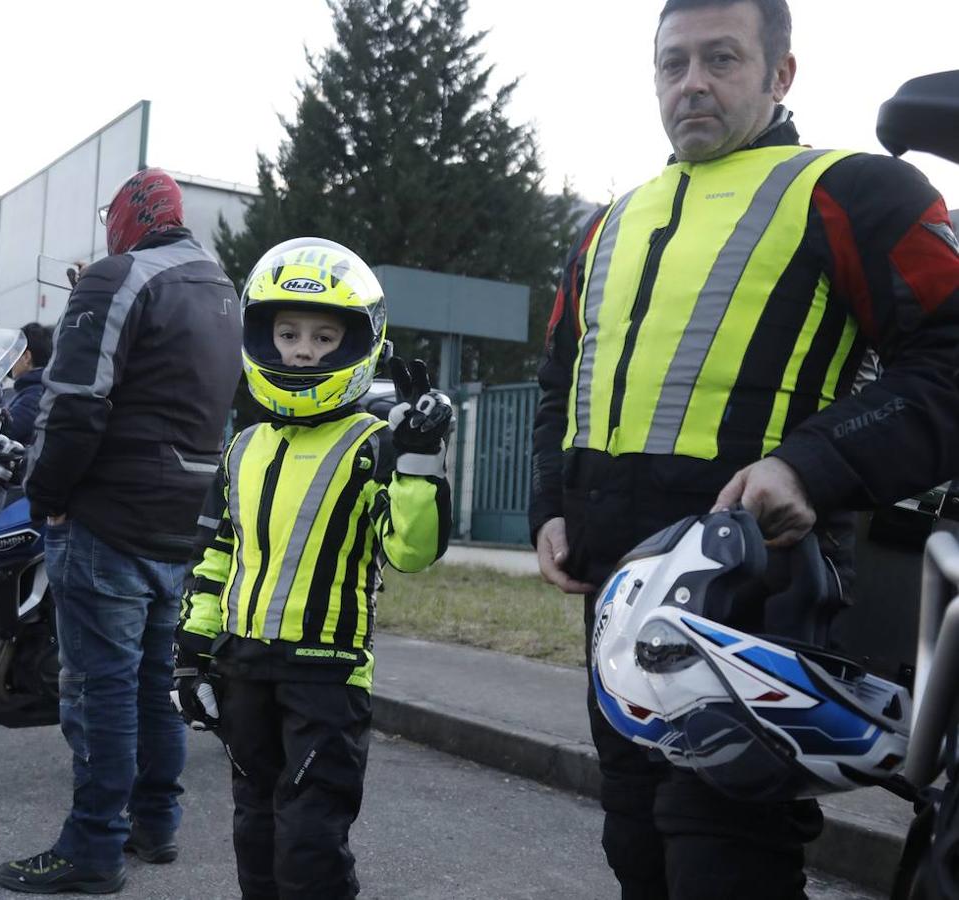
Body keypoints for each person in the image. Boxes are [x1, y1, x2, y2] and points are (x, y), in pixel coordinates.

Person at [529, 1, 959, 897]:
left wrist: (814, 464)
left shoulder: (853, 191)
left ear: (780, 74)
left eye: (721, 59)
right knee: (634, 848)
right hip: (620, 598)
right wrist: (550, 506)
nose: (692, 83)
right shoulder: (608, 223)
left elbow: (952, 356)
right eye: (673, 63)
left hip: (758, 595)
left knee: (726, 862)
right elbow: (561, 377)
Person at [173, 238, 451, 899]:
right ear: (261, 335)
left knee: (310, 841)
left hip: (327, 674)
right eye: (289, 332)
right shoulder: (242, 447)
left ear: (357, 342)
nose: (302, 350)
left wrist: (418, 459)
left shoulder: (375, 441)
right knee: (254, 830)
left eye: (324, 337)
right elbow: (218, 555)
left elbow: (413, 551)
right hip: (243, 666)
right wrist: (191, 653)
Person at [0, 167, 242, 894]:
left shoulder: (117, 278)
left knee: (97, 691)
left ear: (126, 218)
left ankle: (92, 849)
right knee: (150, 685)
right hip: (180, 521)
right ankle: (156, 825)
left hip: (107, 518)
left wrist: (46, 496)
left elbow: (72, 404)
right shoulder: (221, 289)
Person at [2, 322, 51, 446]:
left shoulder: (34, 396)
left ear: (26, 357)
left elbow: (5, 431)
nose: (9, 360)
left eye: (13, 353)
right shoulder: (33, 389)